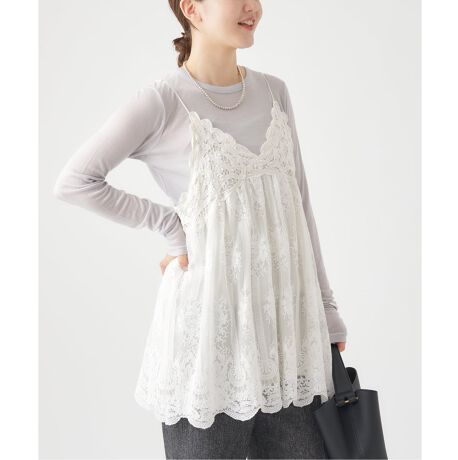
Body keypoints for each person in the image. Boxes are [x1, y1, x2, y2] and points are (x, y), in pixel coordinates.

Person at [54, 0, 348, 458]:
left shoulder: (275, 93)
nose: (253, 7)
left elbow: (301, 208)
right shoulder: (163, 101)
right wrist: (171, 227)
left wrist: (327, 310)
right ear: (192, 8)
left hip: (288, 341)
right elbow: (75, 181)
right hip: (209, 351)